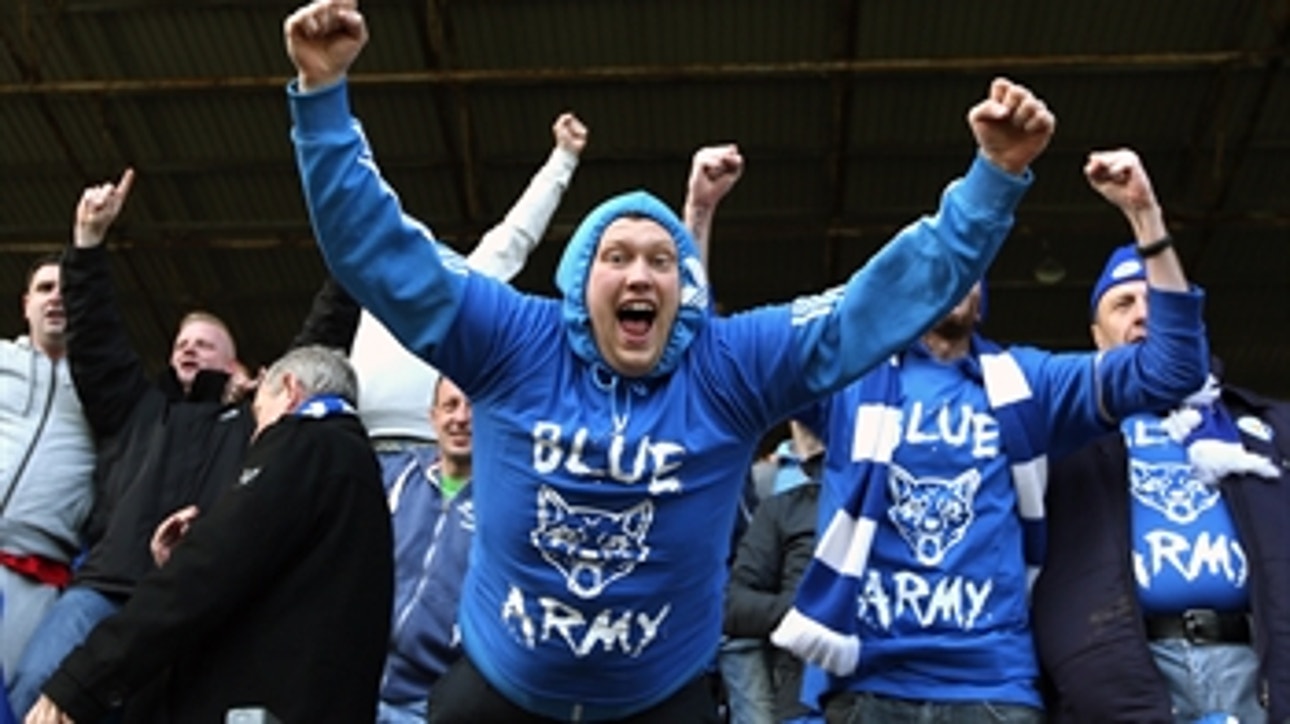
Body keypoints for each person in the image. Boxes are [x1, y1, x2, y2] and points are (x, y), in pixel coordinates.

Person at [285, 1, 1053, 718]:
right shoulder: (512, 338)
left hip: (661, 695)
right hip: (500, 684)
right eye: (616, 256)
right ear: (579, 281)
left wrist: (992, 181)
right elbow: (378, 251)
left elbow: (877, 304)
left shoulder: (734, 364)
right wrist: (323, 94)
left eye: (662, 259)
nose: (641, 274)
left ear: (685, 289)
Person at [772, 148, 1211, 721]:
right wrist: (698, 219)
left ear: (984, 294)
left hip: (992, 690)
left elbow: (1173, 369)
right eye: (936, 267)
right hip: (868, 684)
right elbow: (716, 368)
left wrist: (1145, 215)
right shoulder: (848, 378)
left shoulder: (1029, 381)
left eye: (966, 265)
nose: (952, 277)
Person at [7, 171, 360, 716]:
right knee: (38, 684)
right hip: (110, 587)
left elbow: (318, 339)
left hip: (201, 599)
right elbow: (96, 336)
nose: (191, 350)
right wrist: (87, 242)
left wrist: (350, 259)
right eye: (182, 342)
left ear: (238, 363)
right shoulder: (138, 409)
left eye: (207, 344)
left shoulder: (259, 424)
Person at [1032, 150, 1290, 724]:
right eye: (1123, 304)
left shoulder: (1269, 428)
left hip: (1259, 669)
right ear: (1098, 339)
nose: (1142, 315)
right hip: (1126, 678)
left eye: (1156, 299)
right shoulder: (1061, 438)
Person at [25, 345, 393, 724]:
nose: (255, 437)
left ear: (289, 389)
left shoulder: (303, 442)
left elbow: (203, 574)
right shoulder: (359, 474)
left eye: (258, 414)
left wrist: (81, 682)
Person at [0, 256, 95, 680]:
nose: (56, 297)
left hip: (36, 570)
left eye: (67, 289)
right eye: (44, 288)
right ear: (25, 304)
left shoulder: (104, 385)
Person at [379, 374, 475, 722]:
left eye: (472, 407)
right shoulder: (393, 475)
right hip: (359, 679)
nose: (461, 418)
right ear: (432, 416)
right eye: (450, 405)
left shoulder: (504, 499)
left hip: (432, 701)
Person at [725, 422, 825, 724]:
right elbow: (733, 605)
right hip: (803, 699)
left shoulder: (900, 513)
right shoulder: (782, 508)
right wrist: (812, 612)